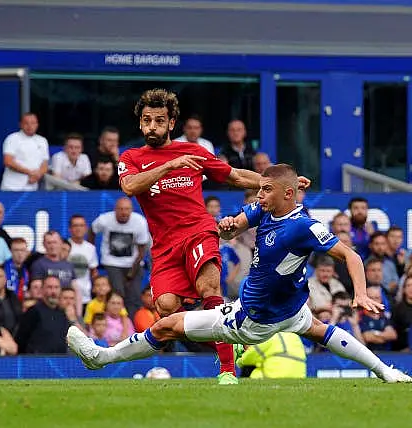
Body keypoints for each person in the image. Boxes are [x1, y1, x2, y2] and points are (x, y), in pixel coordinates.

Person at [68, 164, 412, 384]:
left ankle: (102, 358)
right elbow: (233, 229)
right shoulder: (266, 209)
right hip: (291, 309)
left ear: (288, 194)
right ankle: (385, 371)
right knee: (320, 330)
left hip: (254, 319)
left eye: (266, 190)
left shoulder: (305, 226)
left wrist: (361, 292)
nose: (259, 194)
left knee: (166, 325)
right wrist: (230, 226)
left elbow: (351, 255)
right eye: (260, 189)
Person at [114, 89, 306, 384]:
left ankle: (227, 371)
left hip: (197, 230)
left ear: (172, 123)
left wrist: (280, 183)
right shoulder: (132, 157)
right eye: (147, 120)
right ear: (140, 124)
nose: (152, 126)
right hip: (165, 245)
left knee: (208, 288)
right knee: (165, 308)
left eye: (159, 120)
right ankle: (232, 338)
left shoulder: (192, 153)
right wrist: (168, 165)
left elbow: (236, 176)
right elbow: (129, 187)